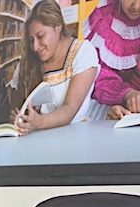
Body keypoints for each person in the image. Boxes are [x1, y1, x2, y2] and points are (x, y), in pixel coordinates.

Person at [9, 0, 99, 134]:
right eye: (31, 40)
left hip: (74, 139)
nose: (35, 47)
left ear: (58, 26)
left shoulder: (83, 53)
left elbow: (70, 109)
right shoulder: (28, 59)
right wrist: (17, 116)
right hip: (34, 142)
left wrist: (39, 122)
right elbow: (16, 103)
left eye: (40, 36)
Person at [82, 0, 140, 120]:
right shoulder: (102, 17)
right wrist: (126, 94)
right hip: (109, 108)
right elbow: (95, 73)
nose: (136, 6)